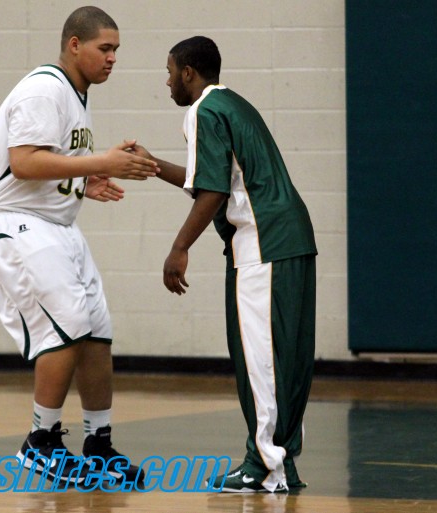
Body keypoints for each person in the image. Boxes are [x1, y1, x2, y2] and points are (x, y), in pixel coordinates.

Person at [0, 6, 158, 487]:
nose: (113, 58)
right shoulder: (44, 88)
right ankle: (40, 441)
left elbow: (48, 166)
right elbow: (24, 162)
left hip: (53, 222)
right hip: (10, 221)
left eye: (116, 50)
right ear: (74, 45)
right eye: (104, 48)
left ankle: (98, 446)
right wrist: (99, 161)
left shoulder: (75, 95)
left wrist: (83, 182)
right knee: (65, 324)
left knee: (96, 331)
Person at [133, 36, 317, 493]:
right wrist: (154, 165)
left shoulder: (202, 111)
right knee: (286, 359)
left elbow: (213, 191)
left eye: (170, 72)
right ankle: (281, 464)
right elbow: (215, 179)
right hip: (291, 238)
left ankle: (263, 466)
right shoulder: (233, 104)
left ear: (188, 73)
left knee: (260, 360)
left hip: (262, 243)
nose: (167, 82)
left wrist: (179, 247)